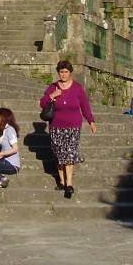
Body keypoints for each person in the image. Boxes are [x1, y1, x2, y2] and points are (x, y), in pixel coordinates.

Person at [39, 59, 96, 199]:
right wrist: (52, 96)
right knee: (59, 154)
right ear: (58, 72)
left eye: (66, 72)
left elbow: (85, 106)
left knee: (70, 153)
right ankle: (62, 181)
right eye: (61, 72)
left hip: (73, 126)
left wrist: (91, 121)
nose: (63, 74)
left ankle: (69, 184)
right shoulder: (53, 87)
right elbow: (42, 103)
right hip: (56, 126)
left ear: (70, 73)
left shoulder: (77, 88)